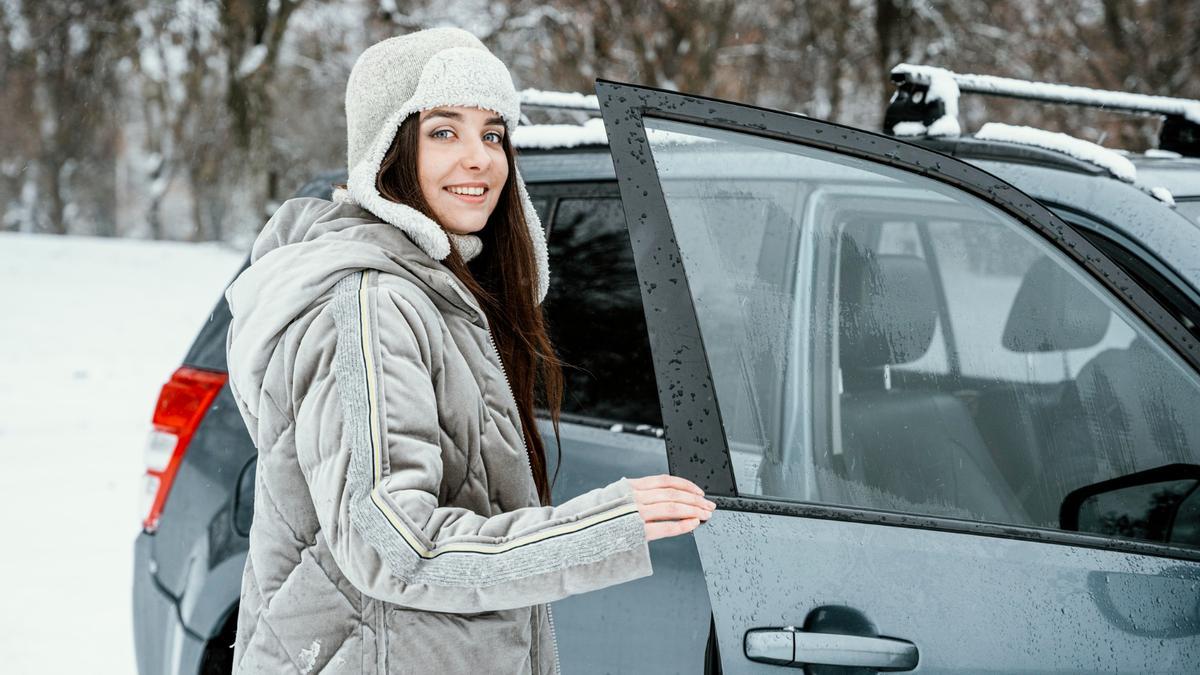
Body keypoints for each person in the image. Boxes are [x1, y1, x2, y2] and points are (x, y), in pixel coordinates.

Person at [223, 27, 715, 674]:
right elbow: (397, 546)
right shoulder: (372, 305)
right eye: (444, 132)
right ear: (387, 152)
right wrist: (603, 525)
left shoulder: (445, 295)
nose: (479, 158)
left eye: (492, 133)